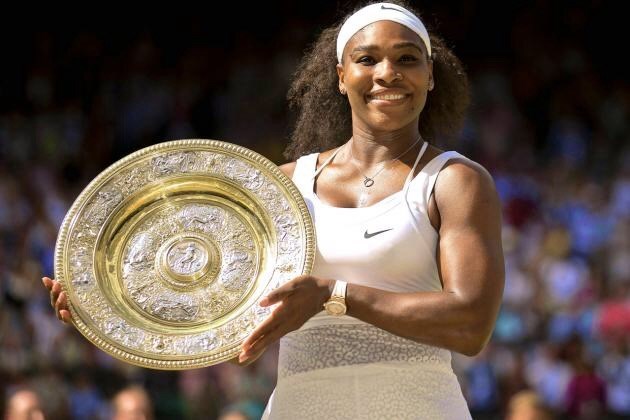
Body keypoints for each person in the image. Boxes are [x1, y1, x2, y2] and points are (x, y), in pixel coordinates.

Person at [44, 1, 504, 418]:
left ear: (430, 75)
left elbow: (470, 325)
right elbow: (225, 329)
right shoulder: (282, 185)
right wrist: (103, 308)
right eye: (367, 59)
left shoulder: (455, 180)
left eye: (407, 59)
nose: (388, 73)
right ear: (341, 76)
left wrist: (334, 295)